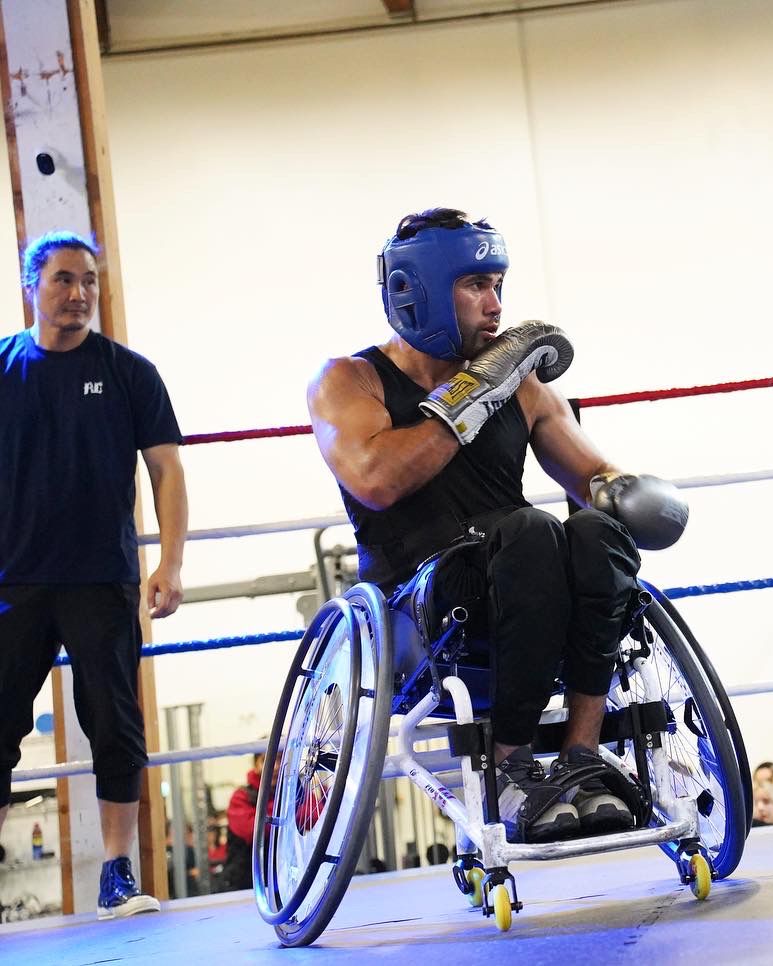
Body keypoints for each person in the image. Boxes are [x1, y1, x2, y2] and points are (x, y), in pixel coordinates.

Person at [308, 208, 688, 845]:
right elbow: (376, 480)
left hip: (521, 583)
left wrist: (625, 492)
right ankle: (512, 767)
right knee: (532, 530)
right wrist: (470, 395)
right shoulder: (350, 380)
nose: (495, 303)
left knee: (594, 533)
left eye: (498, 283)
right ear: (419, 289)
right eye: (474, 285)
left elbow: (591, 472)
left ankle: (580, 754)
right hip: (419, 603)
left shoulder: (521, 382)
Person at [0, 231, 187, 920]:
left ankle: (117, 871)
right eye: (64, 280)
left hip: (102, 578)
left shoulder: (129, 372)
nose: (79, 293)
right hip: (12, 582)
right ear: (32, 285)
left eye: (89, 281)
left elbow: (166, 469)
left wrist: (169, 561)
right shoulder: (3, 368)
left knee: (114, 723)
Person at [222, 752, 261, 892]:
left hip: (285, 882)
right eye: (267, 760)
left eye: (281, 759)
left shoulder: (297, 792)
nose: (275, 766)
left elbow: (316, 815)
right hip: (245, 884)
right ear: (256, 764)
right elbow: (253, 830)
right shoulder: (241, 796)